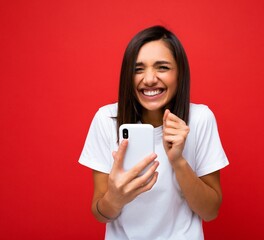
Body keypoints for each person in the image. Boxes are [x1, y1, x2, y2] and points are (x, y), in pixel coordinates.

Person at [79, 25, 229, 239]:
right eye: (138, 69)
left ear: (179, 73)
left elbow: (210, 211)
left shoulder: (200, 119)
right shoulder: (106, 119)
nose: (149, 79)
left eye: (162, 67)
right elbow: (101, 214)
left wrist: (178, 161)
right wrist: (115, 198)